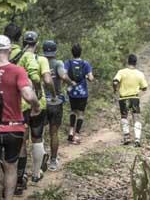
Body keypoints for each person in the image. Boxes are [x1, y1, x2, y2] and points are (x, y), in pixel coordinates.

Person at [0, 35, 40, 200]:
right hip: (14, 128)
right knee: (11, 168)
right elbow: (28, 95)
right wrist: (36, 106)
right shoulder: (17, 70)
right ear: (8, 50)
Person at [16, 31, 52, 192]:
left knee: (22, 140)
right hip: (39, 103)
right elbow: (45, 79)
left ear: (23, 42)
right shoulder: (41, 59)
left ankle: (20, 176)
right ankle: (36, 174)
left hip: (20, 104)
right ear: (37, 44)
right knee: (37, 137)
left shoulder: (15, 59)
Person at [42, 40, 77, 171]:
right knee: (54, 132)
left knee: (39, 134)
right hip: (55, 102)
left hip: (41, 102)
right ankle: (52, 161)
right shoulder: (58, 63)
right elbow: (63, 75)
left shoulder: (40, 62)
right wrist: (71, 82)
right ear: (55, 50)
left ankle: (40, 160)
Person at [113, 54, 148, 147]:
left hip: (123, 98)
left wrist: (115, 89)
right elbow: (145, 87)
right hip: (134, 98)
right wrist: (138, 88)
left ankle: (126, 137)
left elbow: (115, 81)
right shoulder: (140, 74)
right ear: (136, 62)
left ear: (127, 61)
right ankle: (137, 139)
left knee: (124, 117)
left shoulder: (121, 72)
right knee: (136, 117)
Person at [65, 43, 94, 145]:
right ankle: (77, 135)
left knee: (73, 111)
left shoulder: (68, 62)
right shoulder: (86, 64)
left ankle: (71, 131)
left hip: (72, 92)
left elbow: (64, 75)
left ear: (72, 52)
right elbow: (91, 78)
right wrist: (86, 76)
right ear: (81, 52)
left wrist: (70, 83)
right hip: (83, 93)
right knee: (80, 114)